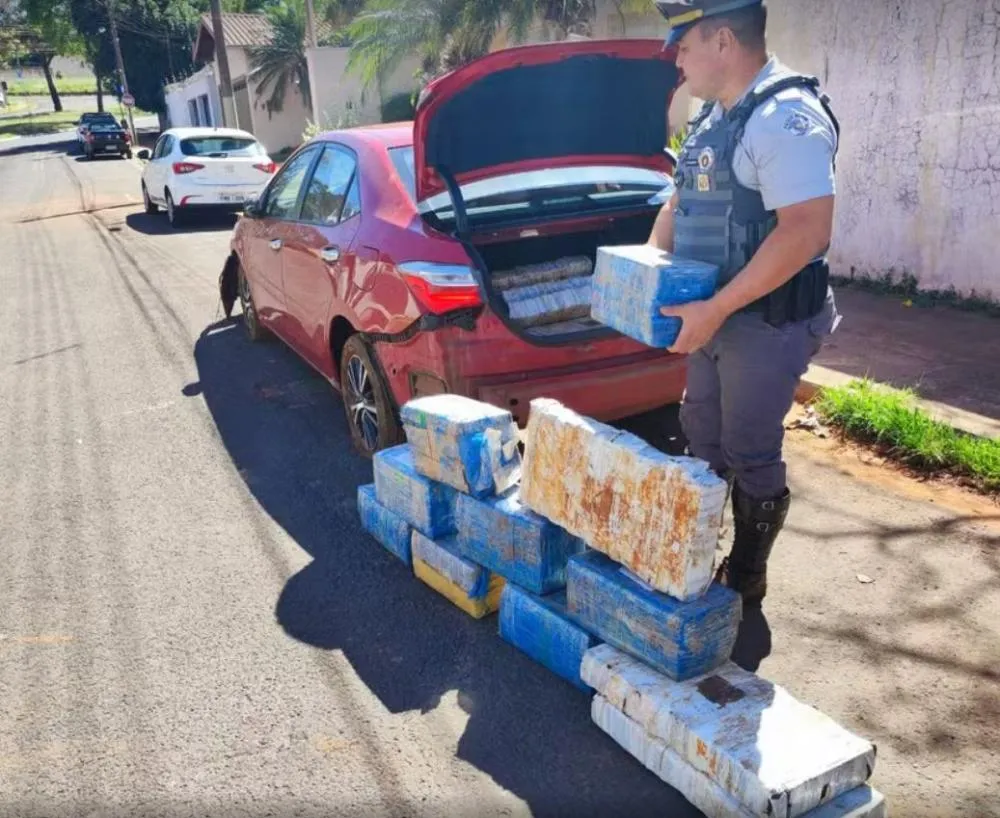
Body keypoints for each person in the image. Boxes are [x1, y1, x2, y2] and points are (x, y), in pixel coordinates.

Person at [648, 0, 841, 606]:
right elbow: (678, 205)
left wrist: (716, 308)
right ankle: (698, 559)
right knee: (701, 433)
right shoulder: (713, 119)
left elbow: (806, 230)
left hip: (766, 320)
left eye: (685, 45)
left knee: (749, 448)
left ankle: (747, 578)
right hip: (717, 315)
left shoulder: (785, 118)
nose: (676, 59)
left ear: (724, 41)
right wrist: (647, 272)